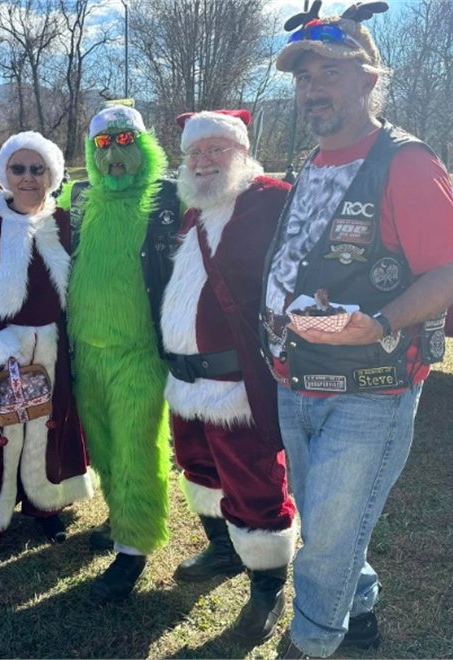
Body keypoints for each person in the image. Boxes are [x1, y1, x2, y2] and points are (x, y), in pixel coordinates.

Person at [260, 2, 453, 658]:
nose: (310, 89)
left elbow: (451, 270)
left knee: (328, 540)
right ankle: (363, 608)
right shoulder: (314, 163)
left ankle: (312, 642)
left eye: (328, 74)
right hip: (296, 378)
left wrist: (377, 322)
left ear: (370, 80)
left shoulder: (404, 162)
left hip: (368, 391)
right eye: (301, 77)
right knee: (329, 522)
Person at [162, 109, 297, 646]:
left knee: (255, 482)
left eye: (216, 150)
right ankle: (222, 547)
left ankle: (268, 587)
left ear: (241, 151)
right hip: (186, 379)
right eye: (195, 153)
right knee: (198, 468)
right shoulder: (192, 211)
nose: (203, 161)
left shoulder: (272, 200)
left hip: (238, 384)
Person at [0, 131, 93, 571]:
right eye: (18, 169)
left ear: (52, 174)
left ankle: (47, 507)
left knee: (47, 428)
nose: (28, 178)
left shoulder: (63, 222)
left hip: (50, 348)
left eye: (37, 169)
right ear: (5, 173)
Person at [57, 103, 181, 602]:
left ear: (143, 144)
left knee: (135, 451)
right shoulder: (80, 195)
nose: (114, 155)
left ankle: (133, 549)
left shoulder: (166, 195)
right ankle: (118, 517)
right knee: (104, 448)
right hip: (86, 350)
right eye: (103, 145)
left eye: (125, 142)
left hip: (139, 352)